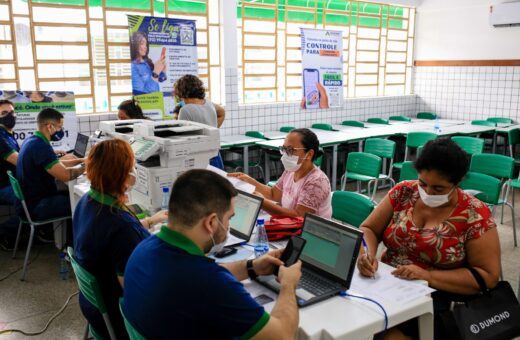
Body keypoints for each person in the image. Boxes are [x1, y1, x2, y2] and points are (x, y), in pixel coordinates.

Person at [123, 169, 302, 339]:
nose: (229, 227)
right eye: (229, 218)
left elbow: (204, 275)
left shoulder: (144, 248)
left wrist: (251, 267)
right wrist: (288, 285)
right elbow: (282, 335)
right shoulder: (208, 283)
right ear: (211, 222)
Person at [357, 138, 500, 340]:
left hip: (437, 297)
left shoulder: (474, 214)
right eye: (423, 184)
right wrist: (368, 254)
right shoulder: (404, 192)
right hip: (386, 285)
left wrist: (428, 276)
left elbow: (487, 276)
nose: (428, 192)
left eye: (439, 189)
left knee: (377, 334)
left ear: (457, 182)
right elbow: (369, 228)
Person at [73, 139, 167, 339]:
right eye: (132, 166)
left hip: (93, 307)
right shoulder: (121, 226)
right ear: (122, 174)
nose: (134, 170)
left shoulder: (88, 201)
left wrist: (150, 221)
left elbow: (110, 237)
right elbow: (136, 290)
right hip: (118, 318)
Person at [229, 128, 332, 218]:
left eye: (290, 150)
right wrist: (248, 181)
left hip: (311, 235)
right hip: (291, 228)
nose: (285, 155)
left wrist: (263, 203)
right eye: (284, 149)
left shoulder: (317, 181)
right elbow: (273, 194)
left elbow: (299, 217)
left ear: (309, 154)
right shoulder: (290, 171)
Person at [16, 108, 84, 223]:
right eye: (59, 127)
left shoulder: (32, 141)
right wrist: (87, 165)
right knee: (85, 202)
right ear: (49, 127)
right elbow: (66, 175)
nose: (61, 130)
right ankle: (78, 240)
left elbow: (57, 163)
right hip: (38, 206)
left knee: (72, 194)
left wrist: (81, 160)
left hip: (30, 203)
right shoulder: (40, 146)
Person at [173, 74, 226, 168]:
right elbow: (222, 112)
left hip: (198, 159)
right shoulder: (208, 103)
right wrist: (213, 130)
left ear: (182, 91)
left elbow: (182, 139)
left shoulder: (185, 110)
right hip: (215, 155)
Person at [0, 100, 21, 249]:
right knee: (30, 202)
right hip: (3, 186)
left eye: (12, 112)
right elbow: (18, 160)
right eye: (4, 113)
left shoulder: (8, 134)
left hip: (10, 182)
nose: (10, 116)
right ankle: (3, 233)